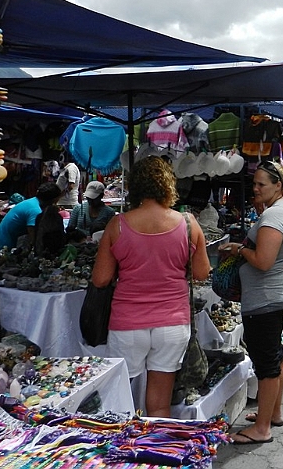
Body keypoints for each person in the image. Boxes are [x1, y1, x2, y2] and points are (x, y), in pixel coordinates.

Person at [92, 156, 210, 417]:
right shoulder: (188, 223)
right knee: (159, 405)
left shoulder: (118, 225)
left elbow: (100, 279)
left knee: (121, 402)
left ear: (135, 187)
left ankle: (125, 452)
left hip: (128, 323)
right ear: (168, 185)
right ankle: (158, 452)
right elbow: (201, 273)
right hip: (172, 323)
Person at [218, 160, 283, 445]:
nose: (255, 188)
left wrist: (239, 249)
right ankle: (273, 413)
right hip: (277, 293)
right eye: (254, 183)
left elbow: (263, 261)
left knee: (266, 363)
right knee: (275, 355)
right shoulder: (282, 209)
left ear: (278, 185)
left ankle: (262, 428)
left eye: (261, 184)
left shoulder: (274, 217)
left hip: (265, 299)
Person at [0, 183, 62, 250]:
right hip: (5, 246)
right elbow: (34, 237)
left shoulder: (32, 201)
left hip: (3, 239)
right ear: (53, 199)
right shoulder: (35, 210)